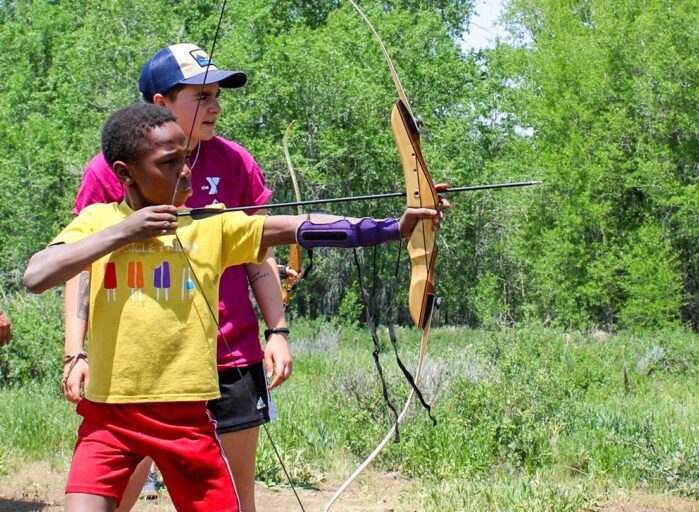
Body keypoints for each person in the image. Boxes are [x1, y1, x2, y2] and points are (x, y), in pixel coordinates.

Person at [24, 103, 444, 511]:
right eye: (170, 163)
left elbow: (294, 227)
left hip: (187, 418)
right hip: (109, 417)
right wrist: (125, 232)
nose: (186, 171)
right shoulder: (97, 221)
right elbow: (37, 275)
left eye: (186, 158)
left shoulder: (212, 224)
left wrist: (390, 228)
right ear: (124, 174)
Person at [61, 43, 289, 511]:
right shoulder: (113, 169)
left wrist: (278, 330)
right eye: (201, 96)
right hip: (138, 368)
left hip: (230, 355)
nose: (215, 106)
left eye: (218, 95)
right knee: (114, 497)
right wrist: (75, 351)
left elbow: (258, 253)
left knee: (232, 495)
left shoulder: (235, 161)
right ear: (160, 104)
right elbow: (81, 259)